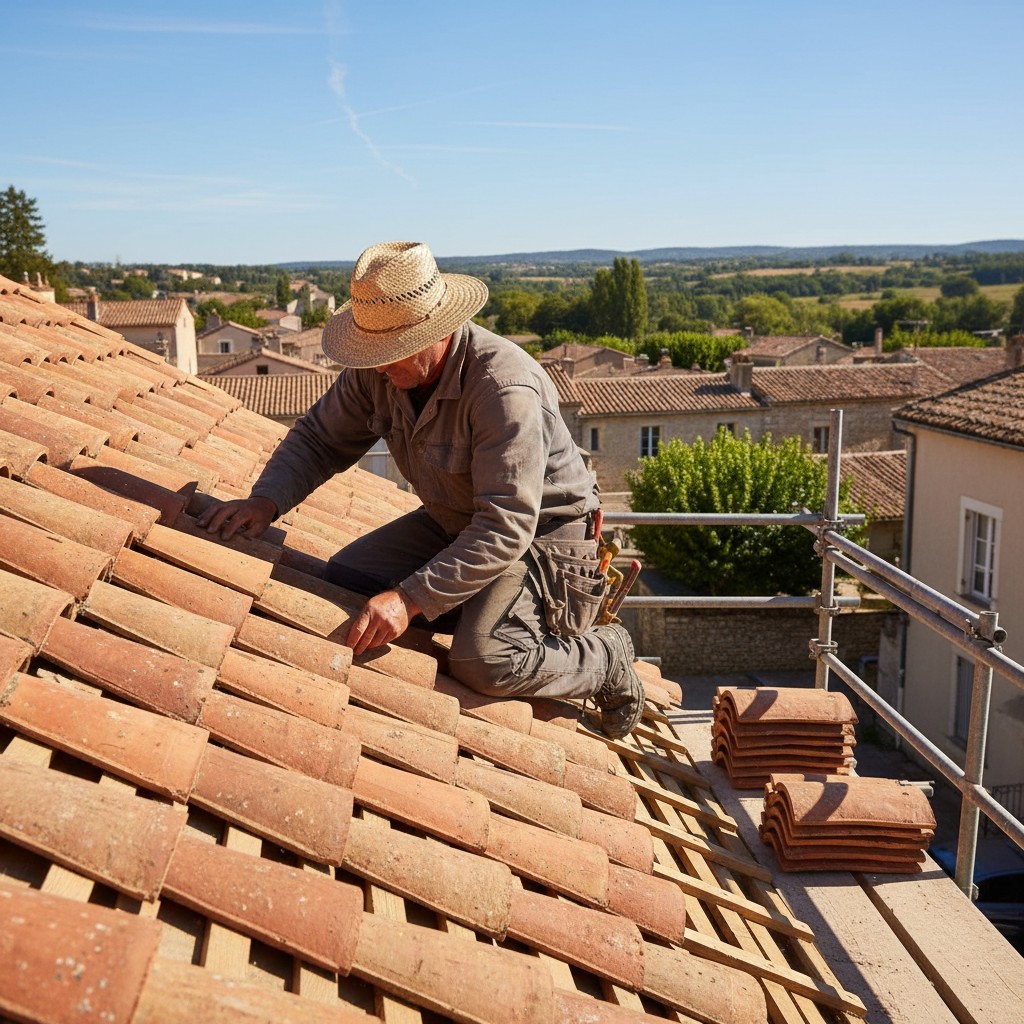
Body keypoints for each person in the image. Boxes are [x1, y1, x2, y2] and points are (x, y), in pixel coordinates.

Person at [199, 240, 645, 738]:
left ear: (436, 332)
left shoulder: (503, 389)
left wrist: (410, 599)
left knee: (484, 661)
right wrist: (266, 500)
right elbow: (321, 438)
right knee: (344, 582)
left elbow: (506, 524)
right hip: (455, 520)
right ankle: (477, 606)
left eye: (390, 354)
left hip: (540, 538)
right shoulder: (377, 372)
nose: (378, 367)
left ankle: (604, 657)